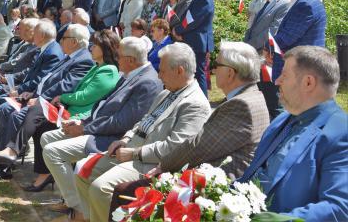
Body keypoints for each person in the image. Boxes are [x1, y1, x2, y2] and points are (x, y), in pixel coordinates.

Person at [109, 42, 270, 216]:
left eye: (217, 65)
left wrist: (164, 166)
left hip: (217, 191)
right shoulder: (249, 97)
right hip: (207, 177)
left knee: (123, 192)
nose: (212, 70)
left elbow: (198, 146)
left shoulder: (240, 105)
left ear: (230, 72)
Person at [74, 42, 210, 222]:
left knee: (100, 188)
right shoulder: (167, 93)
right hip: (131, 150)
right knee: (82, 172)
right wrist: (125, 138)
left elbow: (176, 147)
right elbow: (143, 122)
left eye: (162, 71)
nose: (159, 76)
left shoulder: (195, 104)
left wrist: (135, 153)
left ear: (179, 70)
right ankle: (93, 217)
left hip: (149, 162)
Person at [42, 36, 163, 221]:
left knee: (52, 151)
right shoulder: (131, 74)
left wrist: (85, 128)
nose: (116, 58)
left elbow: (123, 122)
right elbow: (104, 106)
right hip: (96, 128)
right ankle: (75, 204)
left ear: (130, 60)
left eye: (119, 55)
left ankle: (78, 208)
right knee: (47, 138)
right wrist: (82, 122)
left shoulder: (147, 82)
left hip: (110, 138)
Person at [238, 46, 347, 221]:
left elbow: (339, 208)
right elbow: (253, 174)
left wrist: (273, 220)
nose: (277, 81)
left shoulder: (340, 132)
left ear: (308, 82)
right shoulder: (283, 119)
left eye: (284, 75)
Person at [0, 23, 95, 181]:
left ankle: (4, 165)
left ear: (74, 42)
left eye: (65, 38)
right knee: (7, 108)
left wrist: (38, 98)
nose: (61, 41)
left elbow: (64, 86)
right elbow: (47, 81)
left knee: (12, 113)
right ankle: (3, 159)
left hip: (53, 107)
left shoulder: (83, 60)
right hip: (39, 99)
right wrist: (31, 93)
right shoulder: (70, 57)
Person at [243, 0, 290, 119]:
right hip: (258, 55)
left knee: (273, 101)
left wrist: (248, 46)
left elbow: (271, 33)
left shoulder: (284, 3)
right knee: (263, 98)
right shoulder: (268, 2)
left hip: (268, 58)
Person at [271, 0, 326, 83]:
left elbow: (287, 37)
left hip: (300, 67)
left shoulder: (305, 4)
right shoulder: (308, 0)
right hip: (305, 64)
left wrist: (268, 47)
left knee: (293, 100)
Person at [172, 0, 214, 97]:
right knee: (195, 72)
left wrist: (178, 30)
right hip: (195, 40)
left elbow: (192, 20)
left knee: (198, 73)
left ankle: (202, 102)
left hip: (197, 41)